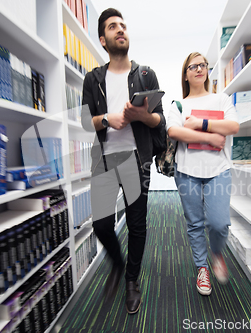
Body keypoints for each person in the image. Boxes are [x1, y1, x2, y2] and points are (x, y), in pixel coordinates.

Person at [80, 8, 165, 314]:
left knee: (136, 225)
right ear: (103, 40)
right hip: (104, 159)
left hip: (135, 158)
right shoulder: (93, 78)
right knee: (102, 225)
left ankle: (131, 280)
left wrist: (142, 115)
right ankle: (116, 263)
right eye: (113, 27)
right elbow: (83, 121)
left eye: (123, 25)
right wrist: (108, 118)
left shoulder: (145, 74)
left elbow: (159, 121)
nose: (120, 30)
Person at [166, 52, 239, 296]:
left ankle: (217, 253)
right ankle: (202, 268)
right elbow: (175, 132)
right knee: (195, 223)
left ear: (207, 70)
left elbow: (233, 126)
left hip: (218, 169)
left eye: (203, 65)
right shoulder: (178, 105)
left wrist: (200, 123)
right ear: (185, 74)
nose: (199, 69)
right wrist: (210, 136)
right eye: (193, 66)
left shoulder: (222, 99)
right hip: (187, 171)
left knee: (219, 223)